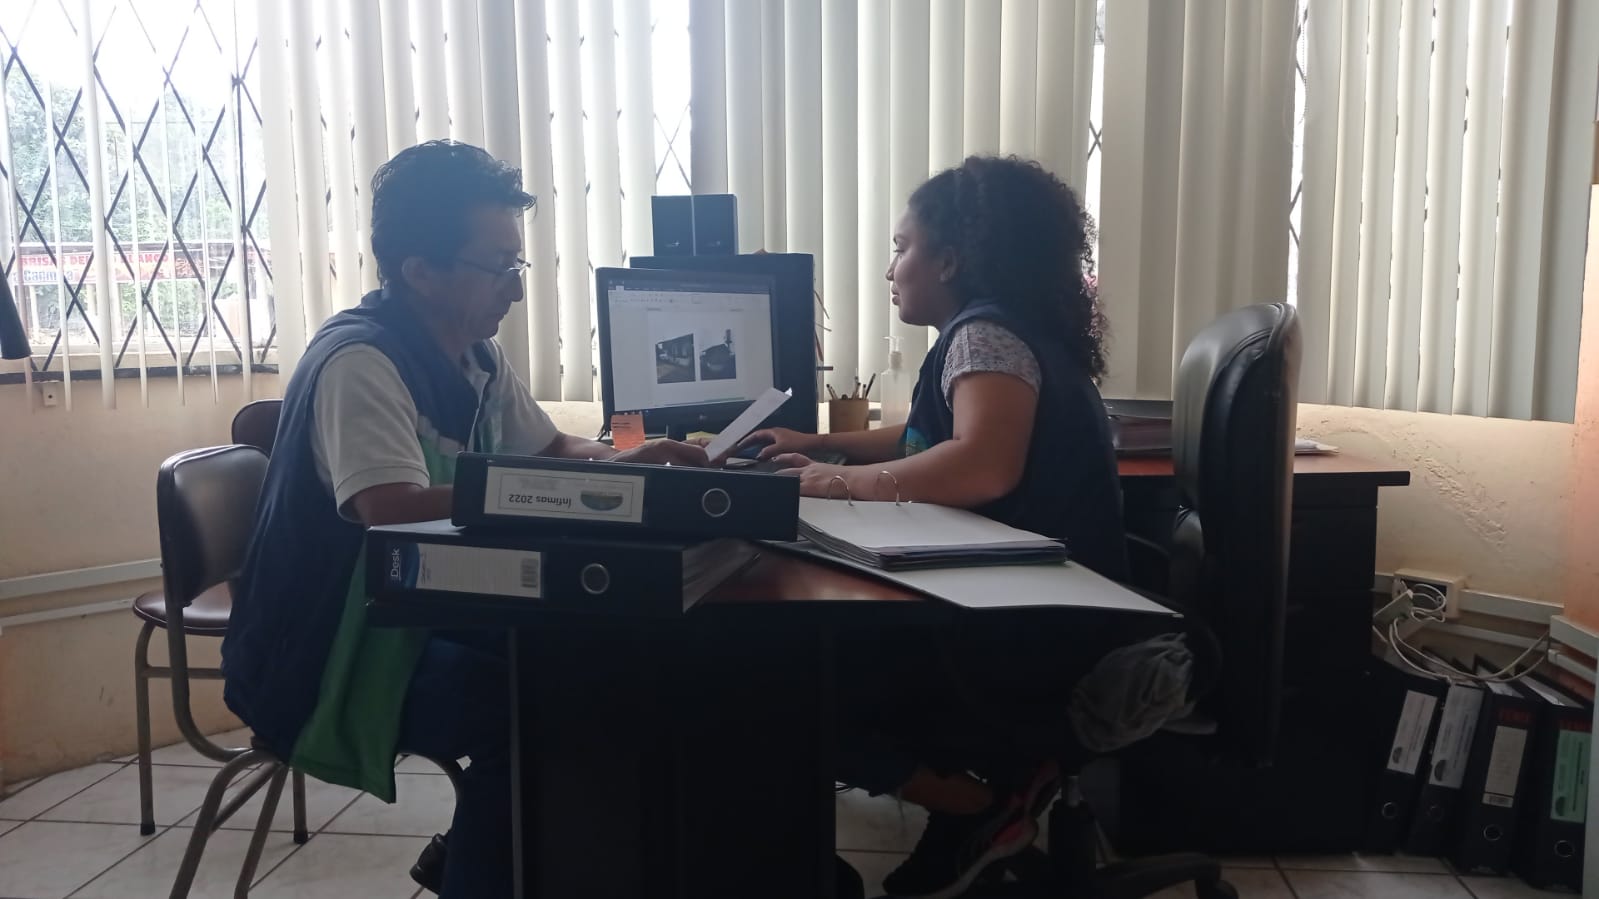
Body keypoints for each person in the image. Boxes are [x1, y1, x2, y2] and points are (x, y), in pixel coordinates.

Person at [222, 140, 707, 898]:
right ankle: (486, 869)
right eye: (499, 265)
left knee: (610, 665)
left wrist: (632, 461)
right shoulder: (361, 362)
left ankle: (506, 859)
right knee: (543, 709)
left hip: (425, 610)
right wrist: (574, 487)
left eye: (518, 263)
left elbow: (550, 448)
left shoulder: (476, 353)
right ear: (421, 270)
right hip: (332, 652)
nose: (516, 286)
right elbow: (390, 507)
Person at [748, 155, 1129, 899]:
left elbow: (981, 465)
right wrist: (818, 443)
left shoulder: (983, 335)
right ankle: (978, 804)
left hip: (1024, 632)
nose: (890, 268)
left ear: (949, 259)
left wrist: (833, 482)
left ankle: (977, 804)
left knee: (787, 673)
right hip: (1038, 608)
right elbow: (927, 437)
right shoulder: (997, 330)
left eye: (902, 247)